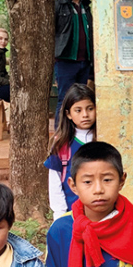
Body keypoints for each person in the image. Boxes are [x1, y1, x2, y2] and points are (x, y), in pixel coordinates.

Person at [45, 84, 96, 219]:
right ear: (68, 114)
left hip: (102, 214)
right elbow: (55, 181)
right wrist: (60, 215)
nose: (85, 115)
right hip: (72, 214)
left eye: (90, 109)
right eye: (78, 110)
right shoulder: (62, 144)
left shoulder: (104, 139)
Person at [54, 0, 94, 115]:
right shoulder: (59, 6)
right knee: (64, 99)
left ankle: (76, 134)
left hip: (84, 62)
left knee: (80, 100)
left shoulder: (86, 6)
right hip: (66, 61)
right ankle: (61, 135)